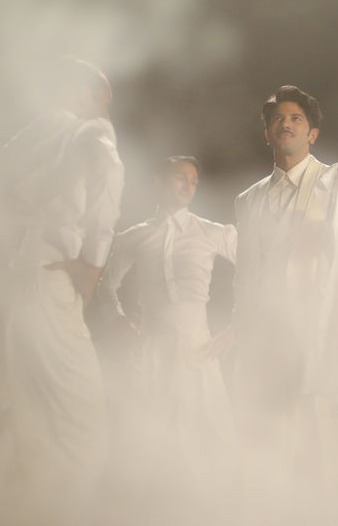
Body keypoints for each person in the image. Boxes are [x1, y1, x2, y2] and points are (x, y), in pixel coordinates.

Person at [0, 57, 123, 524]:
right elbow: (109, 179)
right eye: (103, 99)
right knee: (78, 420)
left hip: (15, 282)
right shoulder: (88, 133)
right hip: (51, 282)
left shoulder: (28, 139)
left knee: (26, 408)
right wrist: (93, 266)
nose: (106, 110)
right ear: (84, 94)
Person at [219, 84, 338, 522]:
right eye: (278, 119)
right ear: (267, 133)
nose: (287, 124)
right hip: (266, 349)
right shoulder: (248, 200)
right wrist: (240, 335)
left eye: (296, 118)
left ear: (313, 133)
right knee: (268, 458)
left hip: (320, 345)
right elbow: (246, 278)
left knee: (328, 461)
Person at [94, 155, 236, 517]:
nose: (188, 185)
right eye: (179, 178)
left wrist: (238, 324)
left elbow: (257, 268)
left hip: (198, 349)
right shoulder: (135, 236)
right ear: (159, 181)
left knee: (208, 433)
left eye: (194, 180)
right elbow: (105, 287)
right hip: (152, 350)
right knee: (144, 435)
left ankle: (213, 515)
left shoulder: (211, 232)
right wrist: (118, 322)